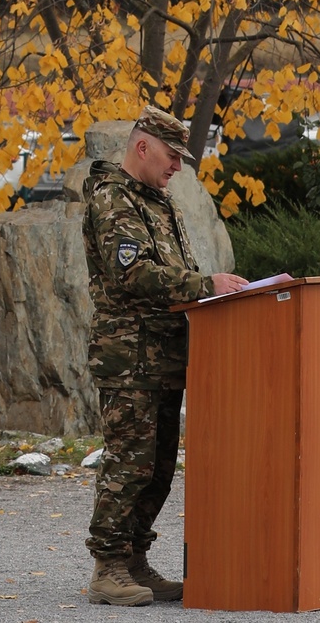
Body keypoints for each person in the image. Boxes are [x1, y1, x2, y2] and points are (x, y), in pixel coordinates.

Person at [82, 107, 248, 606]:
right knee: (128, 463)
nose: (177, 166)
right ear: (143, 147)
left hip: (164, 356)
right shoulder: (113, 199)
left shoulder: (159, 202)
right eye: (173, 155)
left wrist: (215, 295)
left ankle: (134, 560)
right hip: (128, 355)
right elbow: (130, 276)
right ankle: (107, 568)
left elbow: (178, 273)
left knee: (157, 468)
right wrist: (206, 285)